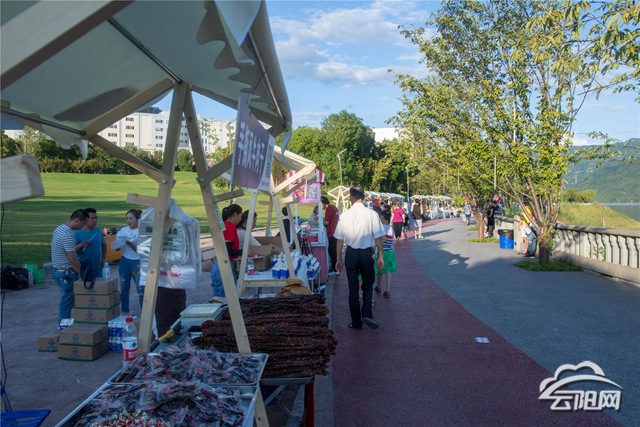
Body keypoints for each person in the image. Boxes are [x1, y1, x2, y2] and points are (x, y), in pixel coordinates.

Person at [334, 186, 385, 330]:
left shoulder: (345, 215)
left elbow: (339, 240)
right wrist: (381, 255)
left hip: (351, 253)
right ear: (363, 197)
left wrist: (338, 258)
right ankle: (367, 313)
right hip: (367, 253)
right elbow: (378, 237)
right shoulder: (372, 214)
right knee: (368, 285)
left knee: (353, 288)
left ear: (351, 197)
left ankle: (356, 322)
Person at [51, 209, 89, 322]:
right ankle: (64, 325)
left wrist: (79, 246)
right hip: (66, 273)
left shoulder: (59, 228)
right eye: (82, 223)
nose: (82, 227)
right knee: (67, 302)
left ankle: (64, 323)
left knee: (66, 298)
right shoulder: (68, 235)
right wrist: (81, 273)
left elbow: (65, 249)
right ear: (77, 220)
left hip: (57, 270)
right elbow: (72, 258)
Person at [110, 209, 142, 315]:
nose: (129, 221)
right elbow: (117, 249)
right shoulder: (123, 230)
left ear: (137, 219)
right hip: (125, 260)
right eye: (127, 218)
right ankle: (125, 312)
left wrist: (129, 243)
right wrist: (118, 243)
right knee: (124, 287)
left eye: (131, 218)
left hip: (137, 261)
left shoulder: (141, 231)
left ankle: (144, 312)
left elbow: (140, 251)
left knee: (140, 288)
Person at [211, 204, 244, 297]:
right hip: (225, 266)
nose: (241, 219)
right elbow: (227, 250)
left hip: (220, 265)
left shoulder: (223, 226)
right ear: (235, 214)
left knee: (220, 296)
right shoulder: (229, 227)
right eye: (240, 216)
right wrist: (244, 252)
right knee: (226, 298)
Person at [74, 207, 107, 280]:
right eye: (92, 218)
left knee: (99, 287)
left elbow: (104, 245)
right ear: (85, 219)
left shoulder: (98, 231)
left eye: (96, 218)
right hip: (83, 269)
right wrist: (80, 245)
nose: (95, 220)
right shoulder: (77, 233)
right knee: (83, 287)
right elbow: (71, 250)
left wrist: (103, 259)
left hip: (97, 269)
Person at [375, 209, 396, 298]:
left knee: (380, 269)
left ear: (382, 217)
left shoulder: (380, 227)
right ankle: (387, 290)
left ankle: (379, 286)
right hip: (391, 252)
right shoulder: (391, 228)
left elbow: (380, 239)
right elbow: (393, 240)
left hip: (382, 251)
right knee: (389, 271)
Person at [322, 196, 340, 274]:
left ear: (323, 203)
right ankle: (336, 267)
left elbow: (326, 222)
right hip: (335, 231)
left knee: (332, 252)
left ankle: (335, 268)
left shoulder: (329, 209)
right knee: (334, 251)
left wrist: (319, 222)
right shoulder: (334, 207)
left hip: (331, 232)